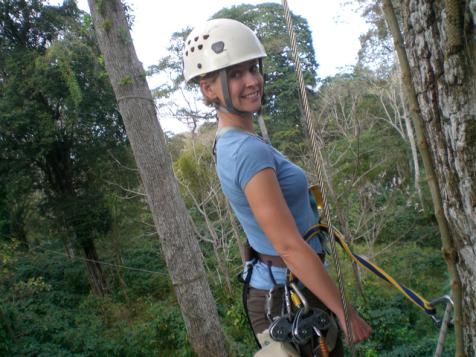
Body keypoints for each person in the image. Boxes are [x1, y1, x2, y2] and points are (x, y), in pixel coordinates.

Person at [183, 18, 371, 356]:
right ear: (208, 89)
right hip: (288, 295)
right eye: (236, 74)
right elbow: (288, 246)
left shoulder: (231, 143)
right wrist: (346, 311)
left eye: (253, 68)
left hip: (281, 289)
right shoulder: (247, 150)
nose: (253, 80)